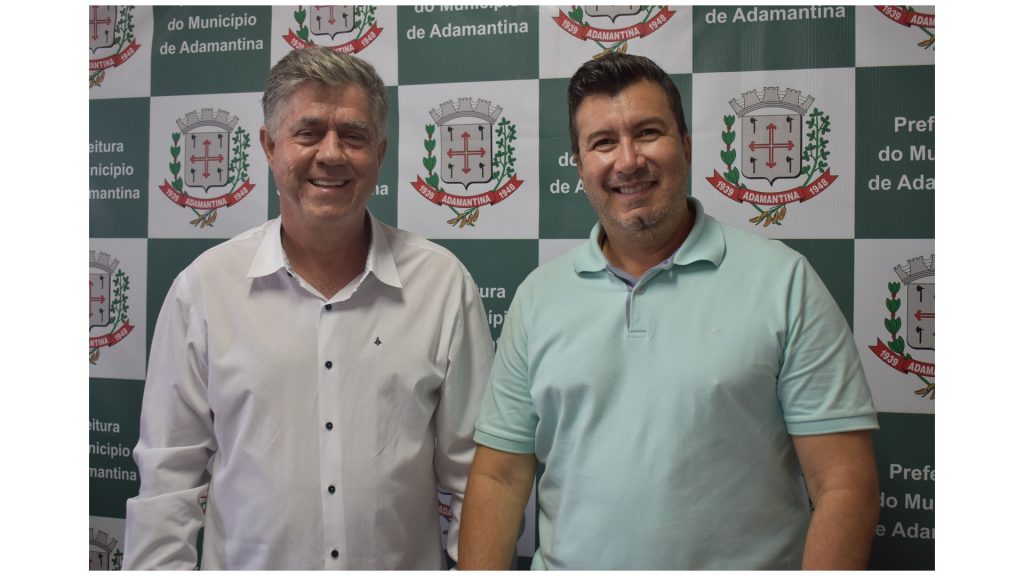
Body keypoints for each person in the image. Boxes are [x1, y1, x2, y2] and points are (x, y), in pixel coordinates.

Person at [459, 53, 879, 570]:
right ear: (580, 165)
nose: (628, 161)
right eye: (603, 142)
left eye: (648, 132)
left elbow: (843, 483)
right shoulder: (538, 297)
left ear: (686, 145)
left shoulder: (784, 282)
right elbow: (498, 478)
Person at [124, 46, 494, 570]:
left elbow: (474, 478)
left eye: (354, 136)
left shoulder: (442, 285)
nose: (332, 153)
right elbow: (168, 483)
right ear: (269, 146)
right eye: (309, 132)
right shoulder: (205, 289)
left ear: (380, 152)